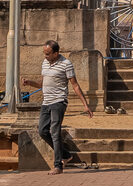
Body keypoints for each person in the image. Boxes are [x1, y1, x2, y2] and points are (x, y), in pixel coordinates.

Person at [38, 38, 93, 173]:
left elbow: (75, 85)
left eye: (48, 53)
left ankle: (58, 165)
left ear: (56, 53)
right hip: (46, 102)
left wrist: (85, 105)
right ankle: (66, 155)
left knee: (55, 132)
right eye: (44, 53)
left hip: (59, 101)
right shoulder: (45, 63)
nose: (45, 56)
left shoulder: (66, 64)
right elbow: (42, 84)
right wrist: (29, 82)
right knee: (42, 131)